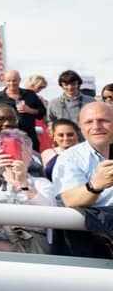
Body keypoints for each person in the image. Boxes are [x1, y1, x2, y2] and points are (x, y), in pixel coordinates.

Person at [0, 129, 54, 254]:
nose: (14, 155)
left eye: (20, 150)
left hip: (32, 244)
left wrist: (23, 184)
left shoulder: (41, 183)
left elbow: (51, 213)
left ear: (31, 156)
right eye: (7, 150)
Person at [51, 102, 113, 258]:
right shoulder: (70, 158)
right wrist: (96, 185)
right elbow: (69, 200)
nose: (96, 126)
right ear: (81, 128)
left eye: (103, 120)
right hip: (92, 241)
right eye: (89, 122)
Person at [0, 70, 45, 152]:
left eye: (14, 80)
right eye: (8, 81)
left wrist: (29, 110)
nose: (11, 83)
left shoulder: (30, 94)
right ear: (4, 81)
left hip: (29, 137)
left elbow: (42, 112)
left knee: (33, 163)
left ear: (19, 80)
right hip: (7, 138)